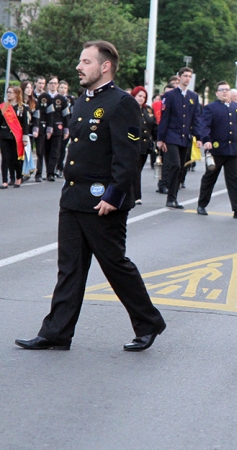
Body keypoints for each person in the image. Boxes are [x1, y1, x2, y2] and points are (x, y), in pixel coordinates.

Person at [15, 40, 166, 352]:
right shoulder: (83, 101)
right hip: (73, 199)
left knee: (115, 265)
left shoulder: (122, 102)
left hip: (102, 202)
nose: (78, 67)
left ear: (105, 65)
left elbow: (128, 156)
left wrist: (113, 195)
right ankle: (56, 332)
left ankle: (149, 322)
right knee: (69, 268)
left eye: (85, 62)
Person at [196, 81, 237, 219]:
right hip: (217, 150)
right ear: (217, 93)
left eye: (227, 89)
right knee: (210, 177)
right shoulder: (211, 108)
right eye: (222, 90)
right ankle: (202, 204)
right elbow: (204, 125)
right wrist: (206, 140)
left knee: (234, 180)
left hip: (233, 150)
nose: (225, 92)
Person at [157, 67, 203, 209]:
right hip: (171, 136)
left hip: (185, 138)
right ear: (179, 77)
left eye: (190, 76)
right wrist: (160, 138)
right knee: (175, 165)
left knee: (181, 168)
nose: (187, 79)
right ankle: (170, 195)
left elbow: (195, 118)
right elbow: (165, 118)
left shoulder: (193, 97)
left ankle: (173, 198)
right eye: (185, 76)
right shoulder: (170, 96)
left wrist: (199, 136)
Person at [130, 86, 157, 205]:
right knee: (135, 171)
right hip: (133, 144)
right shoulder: (129, 108)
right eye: (139, 96)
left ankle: (131, 193)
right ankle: (136, 196)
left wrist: (158, 139)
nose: (142, 99)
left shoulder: (147, 110)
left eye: (144, 97)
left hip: (145, 146)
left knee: (138, 170)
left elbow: (153, 125)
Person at [0, 86, 30, 189]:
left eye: (11, 92)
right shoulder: (3, 106)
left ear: (16, 94)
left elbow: (25, 124)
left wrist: (25, 138)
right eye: (7, 92)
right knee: (5, 158)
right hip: (4, 135)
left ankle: (18, 177)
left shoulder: (23, 107)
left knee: (15, 159)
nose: (8, 94)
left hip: (16, 137)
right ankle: (4, 181)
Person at [20, 80, 36, 180]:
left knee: (27, 152)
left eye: (31, 88)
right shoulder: (19, 102)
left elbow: (36, 117)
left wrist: (35, 128)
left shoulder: (33, 102)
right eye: (27, 88)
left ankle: (25, 171)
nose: (29, 90)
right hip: (19, 130)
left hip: (29, 130)